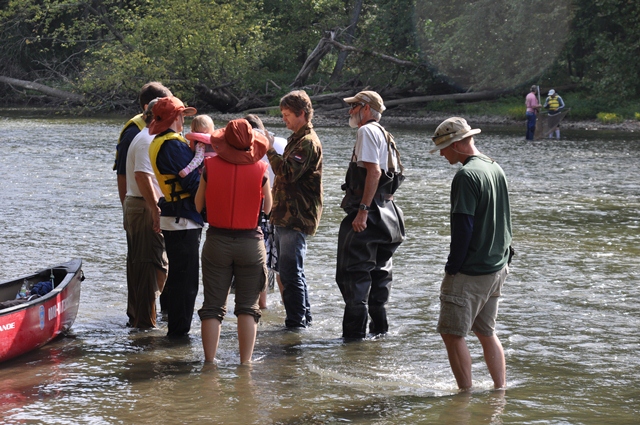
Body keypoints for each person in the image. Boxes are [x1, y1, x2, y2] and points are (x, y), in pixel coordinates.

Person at [429, 117, 512, 391]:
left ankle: (464, 396)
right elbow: (503, 217)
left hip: (472, 270)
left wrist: (452, 267)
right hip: (497, 267)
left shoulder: (466, 176)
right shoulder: (494, 167)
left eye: (444, 147)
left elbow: (463, 227)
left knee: (451, 334)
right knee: (486, 332)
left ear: (457, 144)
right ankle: (500, 391)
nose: (442, 153)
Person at [195, 119, 271, 364]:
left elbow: (198, 205)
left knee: (213, 306)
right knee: (248, 306)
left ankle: (209, 362)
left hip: (217, 241)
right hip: (251, 244)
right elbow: (268, 208)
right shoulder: (261, 169)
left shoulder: (209, 165)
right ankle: (245, 363)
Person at [337, 91, 406, 340]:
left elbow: (374, 173)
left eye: (353, 106)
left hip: (369, 214)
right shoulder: (386, 135)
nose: (350, 112)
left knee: (353, 277)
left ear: (366, 109)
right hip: (390, 217)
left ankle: (353, 343)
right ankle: (379, 336)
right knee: (380, 277)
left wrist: (363, 212)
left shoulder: (366, 131)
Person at [265, 90, 323, 329]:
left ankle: (296, 324)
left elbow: (287, 172)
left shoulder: (307, 142)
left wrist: (269, 149)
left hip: (295, 217)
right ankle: (302, 319)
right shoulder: (297, 138)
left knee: (290, 273)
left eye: (287, 114)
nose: (283, 119)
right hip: (285, 215)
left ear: (302, 114)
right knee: (290, 271)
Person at [148, 96, 204, 338]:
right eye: (181, 115)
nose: (184, 119)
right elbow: (191, 181)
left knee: (179, 278)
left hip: (175, 216)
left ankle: (176, 329)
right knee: (186, 281)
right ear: (174, 118)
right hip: (182, 219)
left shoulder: (162, 141)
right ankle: (179, 335)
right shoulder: (172, 144)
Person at [123, 98, 168, 329]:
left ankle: (139, 321)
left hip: (141, 205)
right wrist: (155, 208)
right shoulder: (147, 139)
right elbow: (142, 175)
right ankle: (144, 327)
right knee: (150, 267)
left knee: (144, 266)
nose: (181, 121)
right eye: (178, 116)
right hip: (143, 206)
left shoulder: (147, 136)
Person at [244, 114, 287, 309]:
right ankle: (289, 309)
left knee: (261, 262)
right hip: (281, 211)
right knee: (280, 265)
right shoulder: (282, 143)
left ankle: (261, 306)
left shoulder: (244, 146)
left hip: (257, 212)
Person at [114, 82, 172, 206]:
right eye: (166, 104)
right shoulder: (132, 134)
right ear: (147, 107)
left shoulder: (164, 128)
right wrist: (126, 209)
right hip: (143, 204)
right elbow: (122, 174)